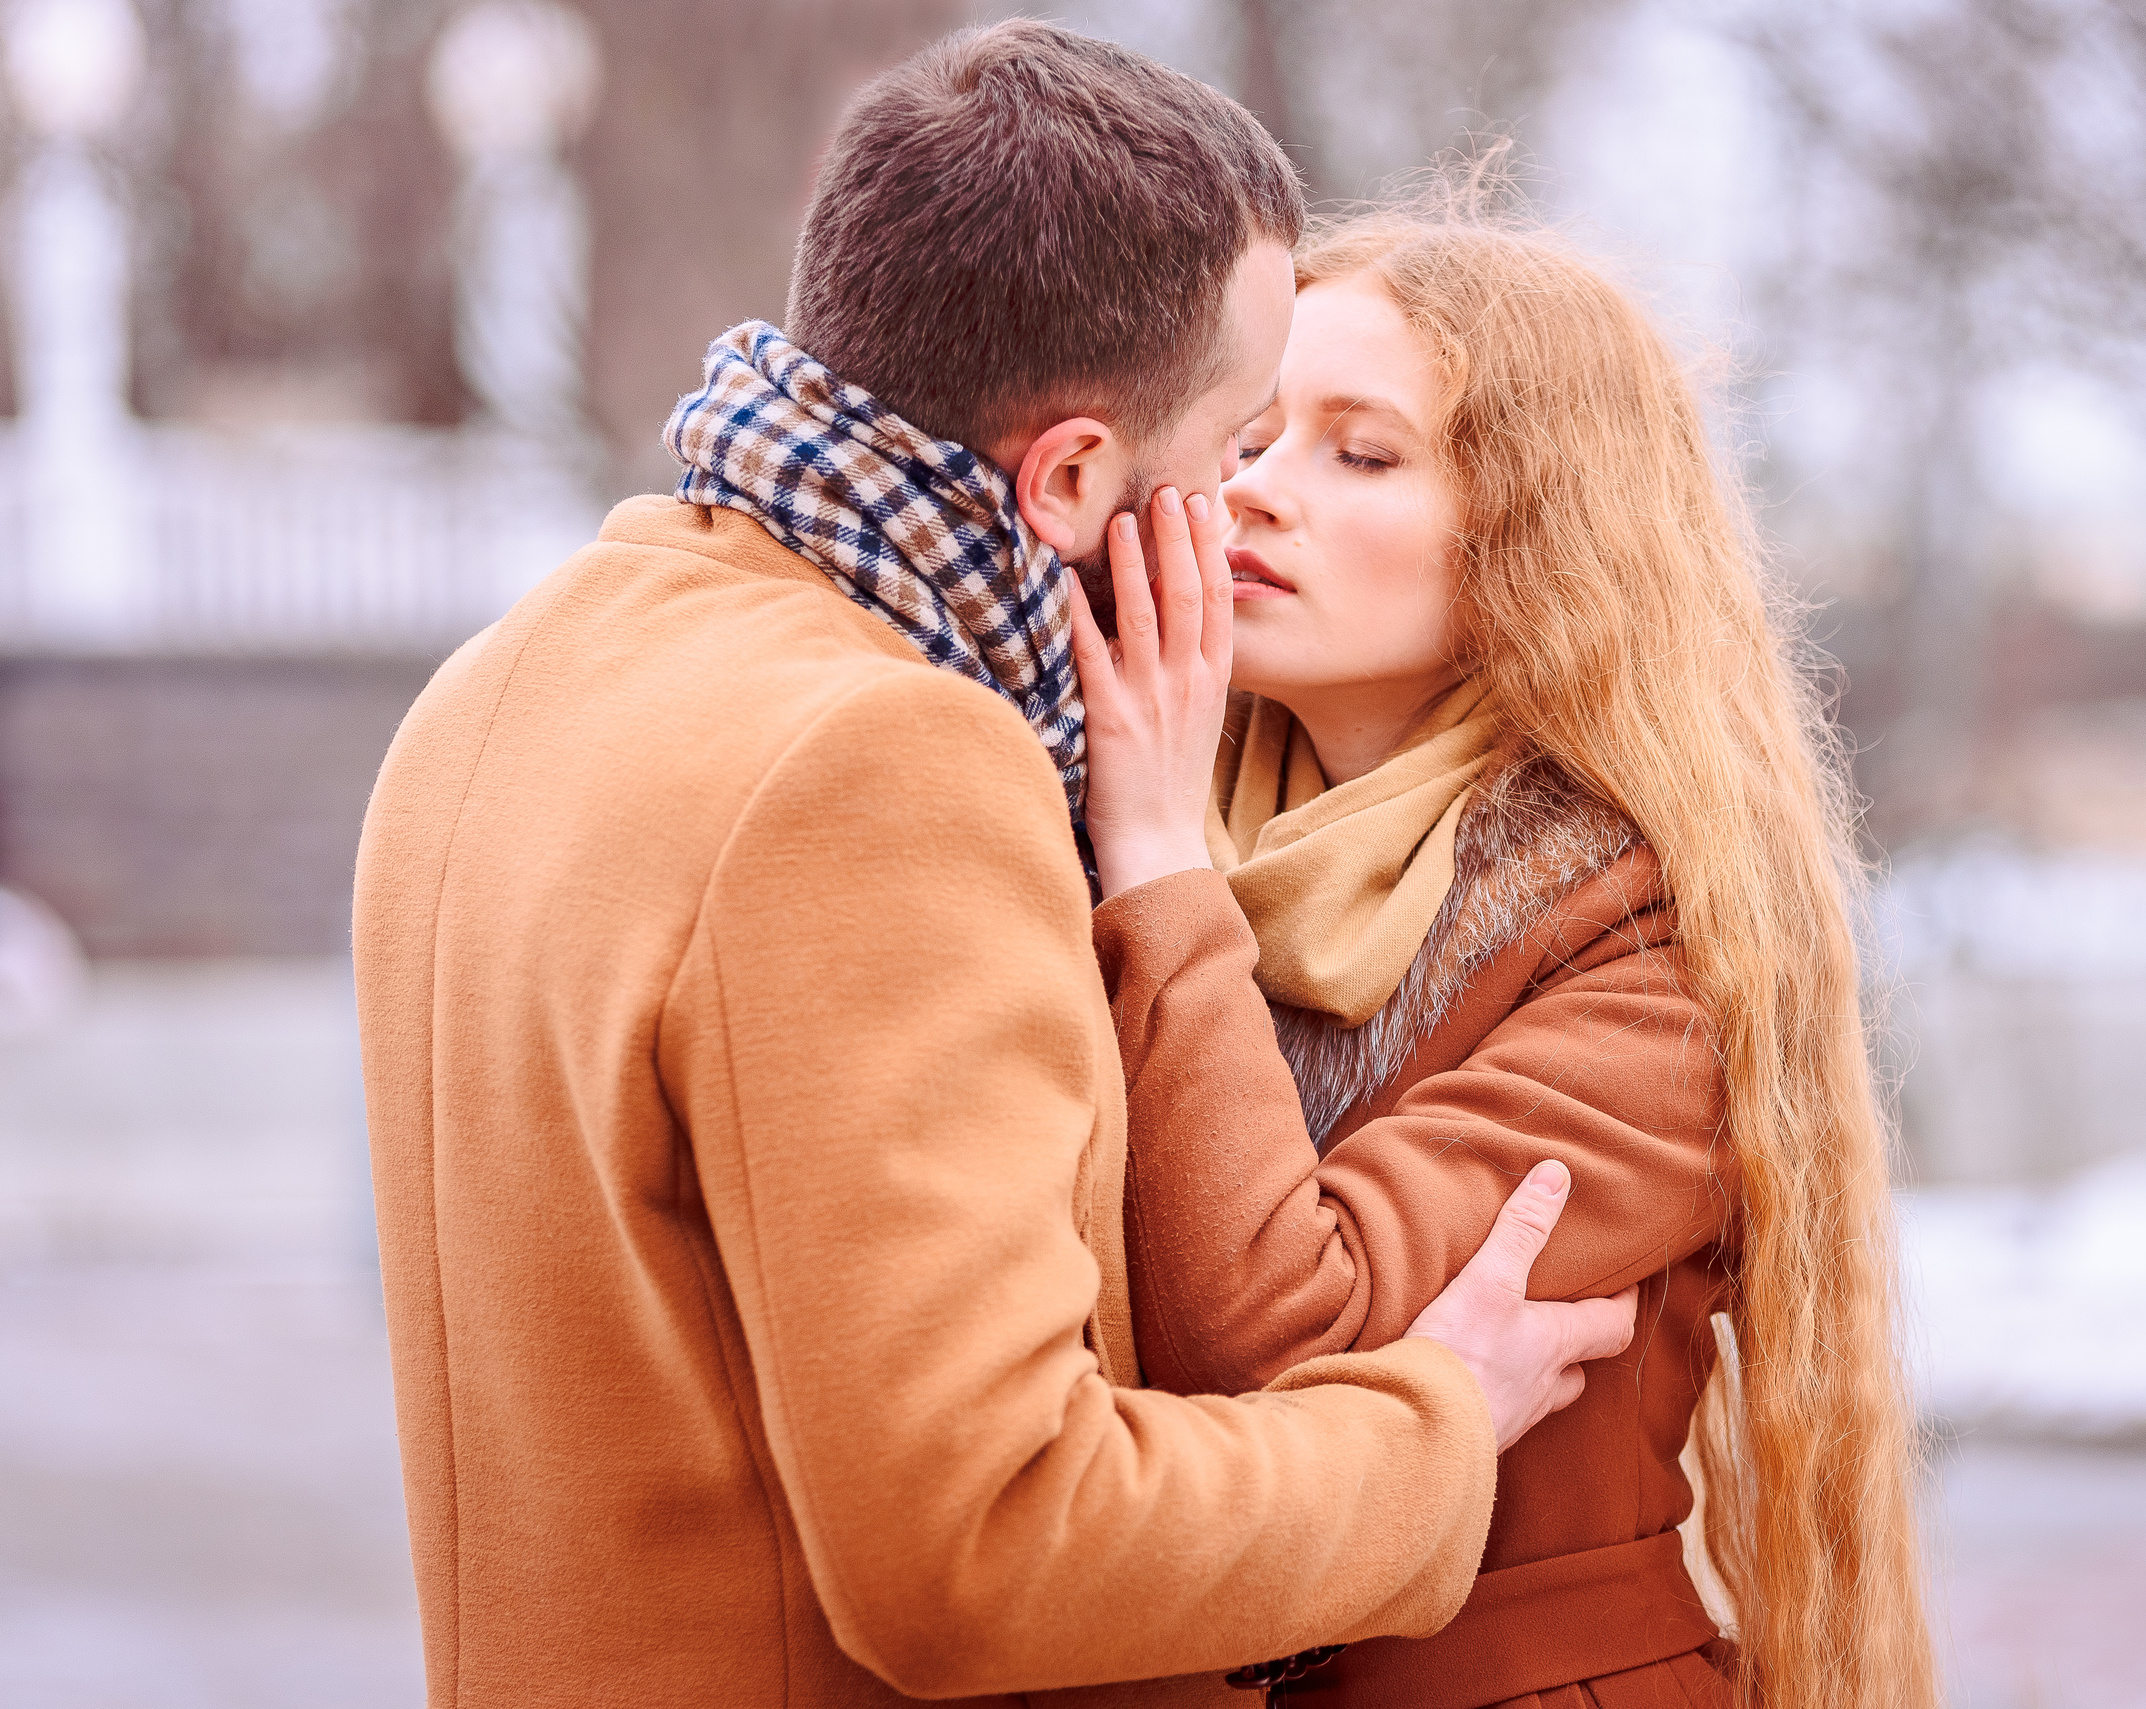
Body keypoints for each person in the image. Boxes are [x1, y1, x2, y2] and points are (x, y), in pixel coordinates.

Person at [351, 28, 1637, 1709]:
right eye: (1234, 441)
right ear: (1077, 478)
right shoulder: (887, 767)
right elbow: (985, 1541)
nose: (1244, 505)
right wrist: (1434, 1434)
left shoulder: (504, 684)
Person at [1070, 212, 1940, 1709]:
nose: (1254, 495)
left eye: (1362, 453)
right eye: (1253, 433)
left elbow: (1276, 1334)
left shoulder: (1651, 943)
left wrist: (1157, 867)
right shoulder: (1115, 813)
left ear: (1538, 535)